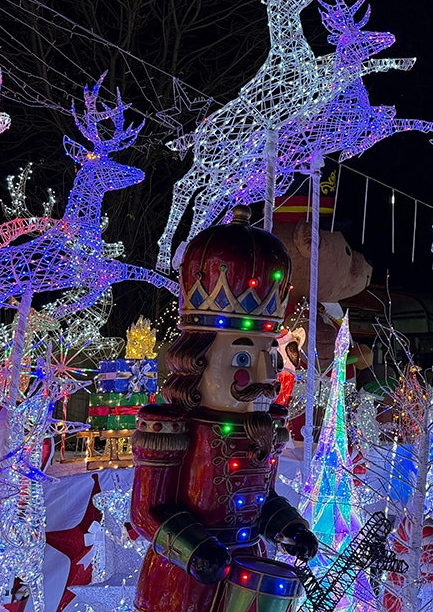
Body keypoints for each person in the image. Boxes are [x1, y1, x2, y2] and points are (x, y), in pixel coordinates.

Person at [130, 205, 317, 612]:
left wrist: (289, 528)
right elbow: (146, 512)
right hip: (182, 582)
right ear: (196, 361)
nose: (267, 376)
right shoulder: (170, 428)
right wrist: (196, 550)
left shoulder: (264, 428)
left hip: (248, 570)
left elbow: (261, 499)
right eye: (244, 359)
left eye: (270, 356)